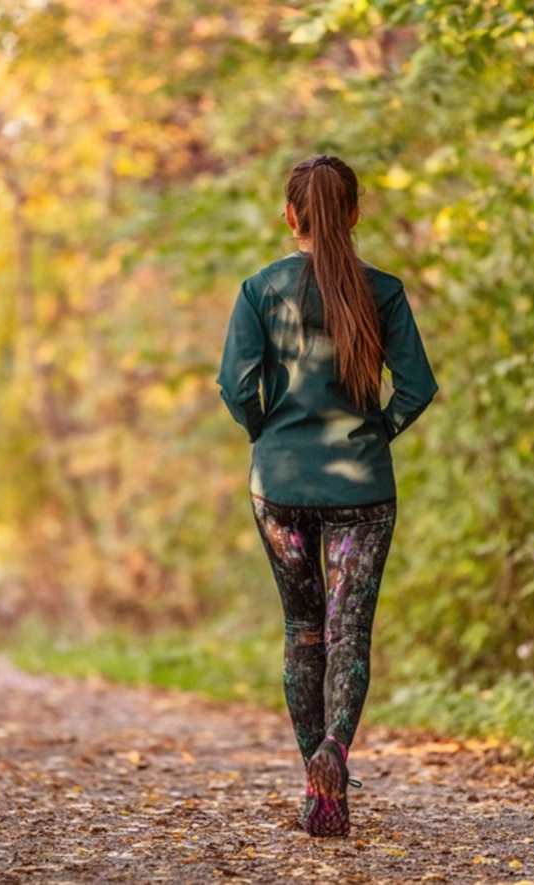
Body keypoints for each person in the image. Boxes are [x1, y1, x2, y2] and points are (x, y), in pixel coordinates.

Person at [217, 155, 438, 838]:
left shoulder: (260, 288)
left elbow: (234, 386)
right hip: (362, 485)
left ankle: (320, 796)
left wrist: (269, 435)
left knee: (302, 629)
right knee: (349, 633)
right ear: (354, 213)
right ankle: (334, 752)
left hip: (279, 484)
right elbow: (416, 388)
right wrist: (376, 433)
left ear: (291, 216)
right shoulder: (384, 291)